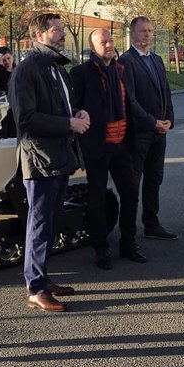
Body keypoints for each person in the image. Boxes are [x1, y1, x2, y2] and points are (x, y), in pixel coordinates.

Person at [9, 13, 89, 312]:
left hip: (57, 156)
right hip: (40, 159)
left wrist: (78, 114)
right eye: (55, 30)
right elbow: (26, 119)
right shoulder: (27, 71)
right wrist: (68, 123)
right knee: (39, 225)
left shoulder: (56, 68)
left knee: (50, 223)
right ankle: (35, 288)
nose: (61, 34)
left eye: (62, 30)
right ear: (39, 35)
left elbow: (62, 108)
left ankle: (42, 278)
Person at [69, 28, 148, 269]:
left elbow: (130, 103)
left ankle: (128, 242)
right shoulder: (81, 73)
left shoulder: (122, 70)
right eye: (103, 42)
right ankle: (101, 248)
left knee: (131, 194)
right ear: (93, 48)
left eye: (111, 40)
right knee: (97, 199)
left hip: (123, 145)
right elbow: (72, 106)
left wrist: (151, 123)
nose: (109, 44)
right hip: (97, 146)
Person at [119, 16, 176, 240]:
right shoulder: (126, 61)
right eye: (143, 31)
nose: (147, 35)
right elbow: (130, 101)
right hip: (139, 134)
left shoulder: (157, 60)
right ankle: (128, 233)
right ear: (132, 33)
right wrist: (152, 122)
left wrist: (168, 118)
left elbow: (166, 92)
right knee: (133, 183)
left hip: (159, 132)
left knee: (154, 179)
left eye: (150, 31)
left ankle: (151, 224)